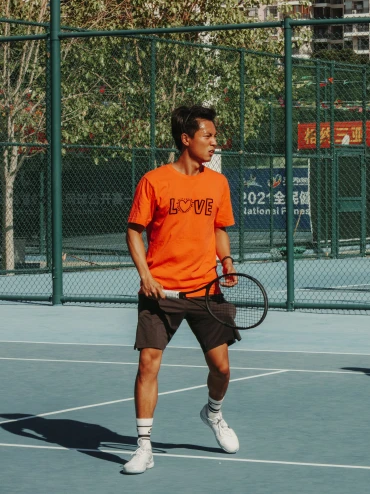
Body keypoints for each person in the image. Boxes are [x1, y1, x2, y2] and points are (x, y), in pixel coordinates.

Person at [123, 105, 239, 474]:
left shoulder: (217, 183)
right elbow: (134, 231)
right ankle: (144, 447)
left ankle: (214, 413)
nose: (214, 143)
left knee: (221, 369)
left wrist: (227, 263)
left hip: (206, 290)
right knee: (147, 364)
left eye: (215, 136)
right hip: (161, 293)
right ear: (186, 139)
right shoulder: (154, 180)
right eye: (208, 136)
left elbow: (220, 228)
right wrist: (146, 275)